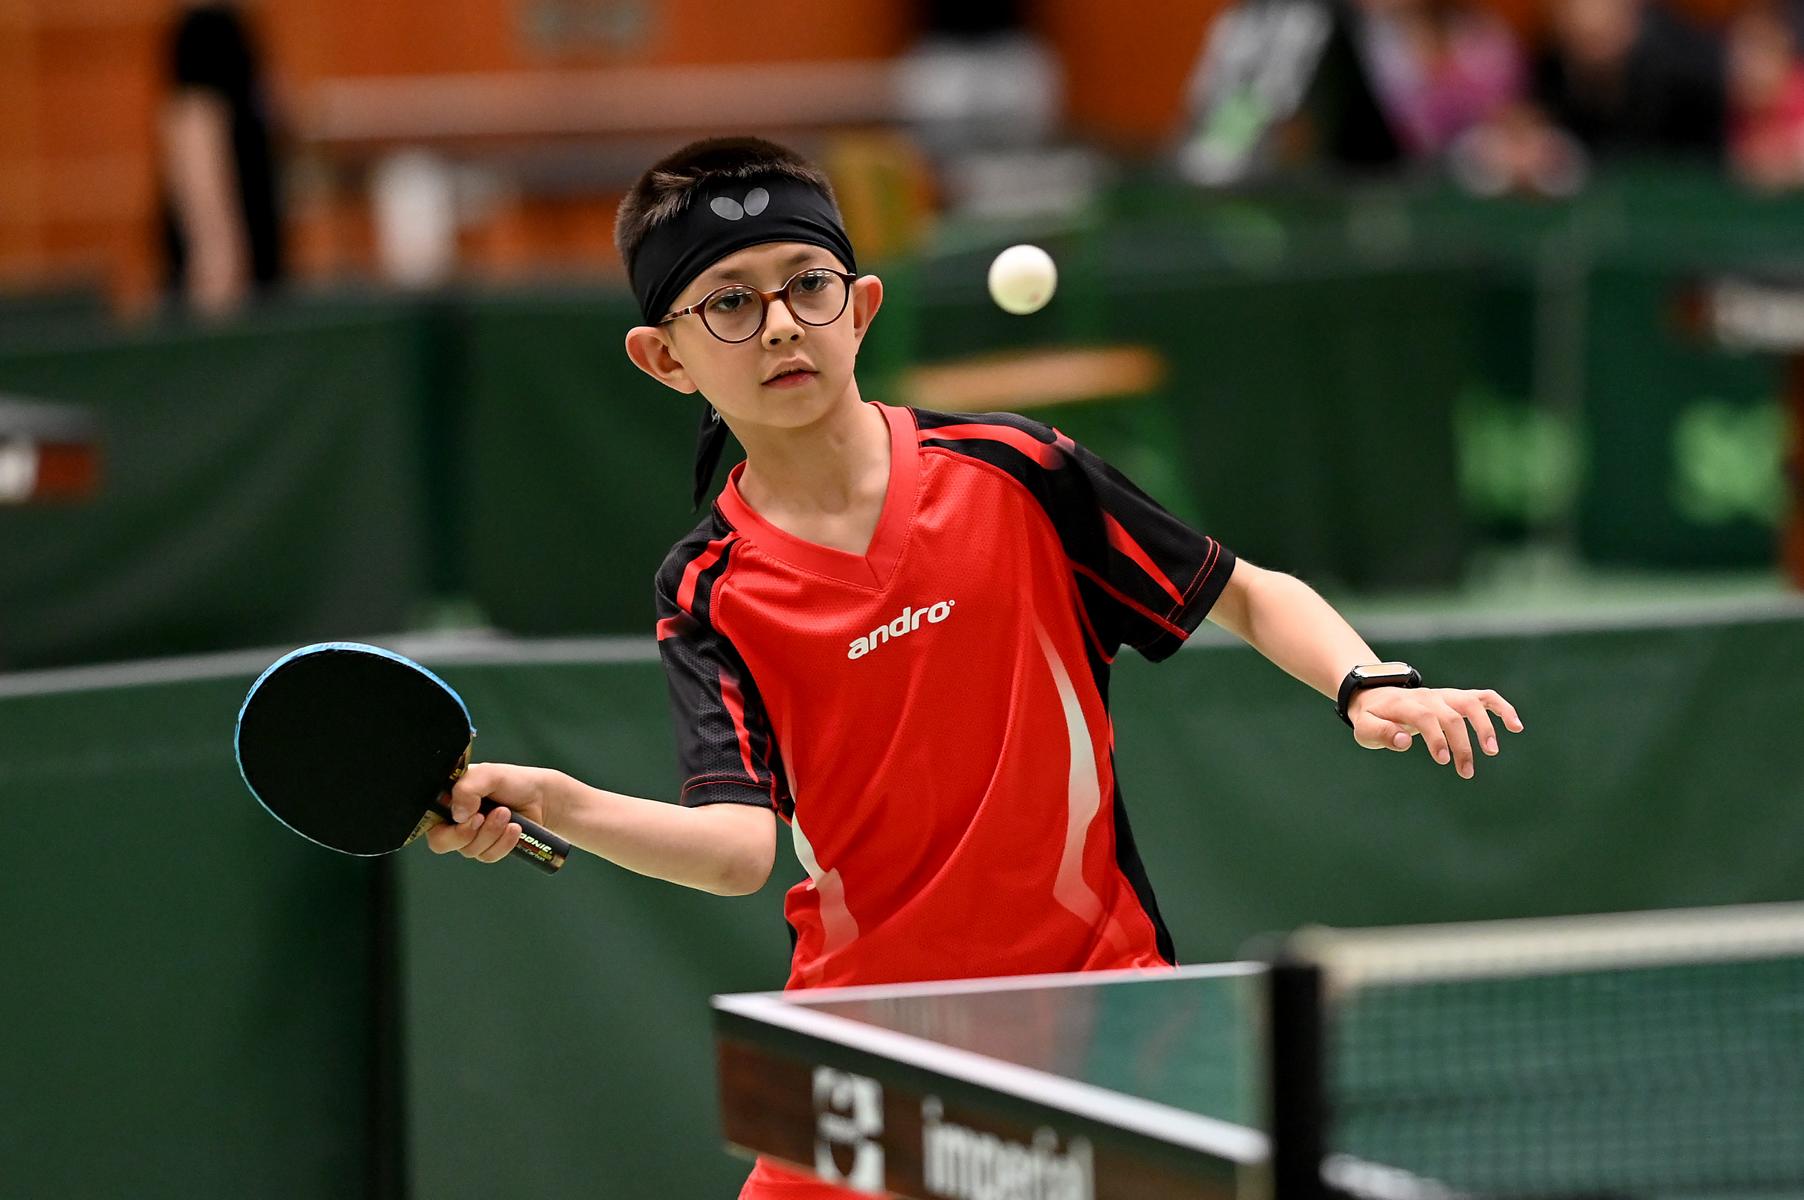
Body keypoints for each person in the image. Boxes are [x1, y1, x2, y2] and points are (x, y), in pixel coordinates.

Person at [425, 137, 1524, 1199]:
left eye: (808, 284)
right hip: (871, 1053)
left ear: (861, 307)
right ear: (663, 357)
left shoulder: (1017, 474)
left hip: (1102, 1026)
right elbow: (734, 852)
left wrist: (1364, 682)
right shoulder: (710, 588)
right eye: (729, 303)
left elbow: (1238, 588)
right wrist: (556, 799)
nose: (781, 325)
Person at [159, 0, 284, 317]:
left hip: (254, 273)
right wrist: (216, 252)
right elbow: (195, 142)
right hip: (227, 281)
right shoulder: (205, 31)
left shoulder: (235, 25)